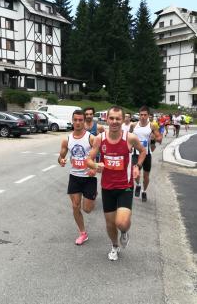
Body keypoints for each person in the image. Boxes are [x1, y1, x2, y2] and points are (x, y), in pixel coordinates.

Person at [87, 106, 146, 261]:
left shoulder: (130, 138)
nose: (114, 121)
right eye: (111, 118)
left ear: (123, 119)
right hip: (107, 187)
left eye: (117, 118)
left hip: (125, 186)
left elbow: (143, 151)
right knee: (110, 223)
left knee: (121, 222)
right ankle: (114, 245)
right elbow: (89, 159)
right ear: (107, 119)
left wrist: (137, 166)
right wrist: (95, 166)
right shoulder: (100, 138)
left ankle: (125, 232)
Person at [58, 110, 97, 245]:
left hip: (88, 177)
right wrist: (61, 161)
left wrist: (94, 168)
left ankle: (92, 195)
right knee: (75, 206)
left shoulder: (91, 138)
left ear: (84, 121)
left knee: (87, 209)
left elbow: (100, 154)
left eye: (81, 120)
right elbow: (61, 157)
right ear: (72, 121)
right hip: (74, 176)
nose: (78, 122)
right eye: (76, 120)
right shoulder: (67, 139)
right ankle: (83, 233)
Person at [130, 106, 162, 202]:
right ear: (139, 115)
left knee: (146, 176)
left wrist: (154, 139)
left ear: (148, 115)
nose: (143, 117)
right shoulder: (134, 125)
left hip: (147, 154)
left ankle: (144, 191)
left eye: (145, 115)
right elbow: (128, 136)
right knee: (135, 173)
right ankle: (138, 185)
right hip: (136, 153)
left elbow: (159, 138)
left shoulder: (152, 126)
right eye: (141, 115)